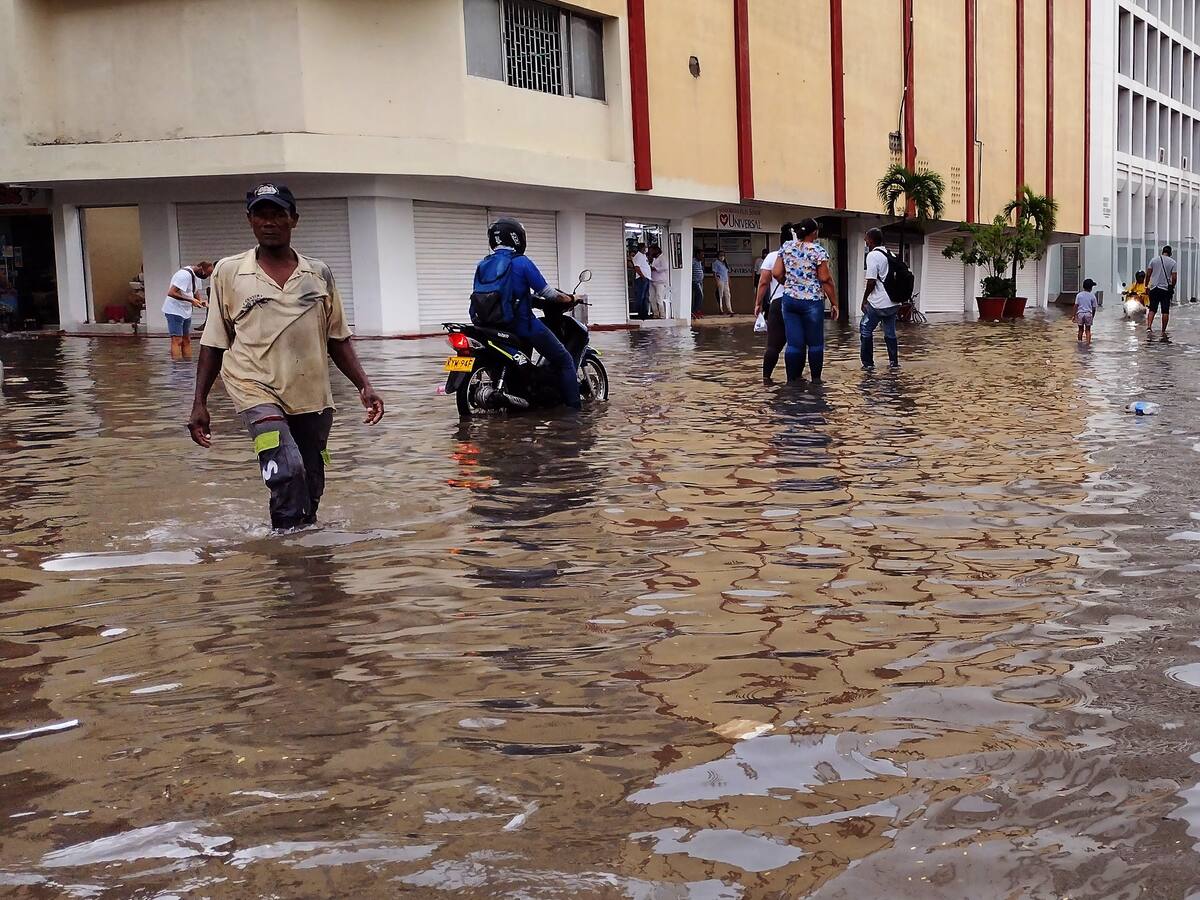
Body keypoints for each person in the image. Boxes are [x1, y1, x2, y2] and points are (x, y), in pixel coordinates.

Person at [188, 183, 385, 531]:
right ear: (249, 220)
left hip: (311, 393)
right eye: (261, 214)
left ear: (294, 220)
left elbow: (337, 338)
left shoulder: (318, 273)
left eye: (278, 214)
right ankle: (285, 550)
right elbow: (214, 341)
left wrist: (364, 386)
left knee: (311, 481)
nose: (270, 222)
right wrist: (199, 402)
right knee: (286, 467)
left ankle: (307, 558)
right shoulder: (229, 273)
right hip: (254, 389)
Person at [471, 216, 580, 410]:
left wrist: (532, 301)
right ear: (517, 238)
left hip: (489, 326)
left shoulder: (483, 264)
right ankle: (575, 414)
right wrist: (571, 299)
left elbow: (501, 294)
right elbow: (549, 294)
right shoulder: (521, 262)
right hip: (521, 325)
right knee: (565, 360)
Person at [772, 218, 838, 382]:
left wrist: (789, 284)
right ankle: (816, 380)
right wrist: (834, 303)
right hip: (812, 301)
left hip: (789, 301)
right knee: (815, 344)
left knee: (794, 344)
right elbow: (825, 279)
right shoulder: (818, 251)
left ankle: (792, 380)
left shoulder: (786, 247)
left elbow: (776, 273)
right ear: (814, 233)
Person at [754, 224, 794, 383]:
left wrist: (758, 304)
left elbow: (763, 282)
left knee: (772, 346)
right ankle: (794, 380)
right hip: (798, 303)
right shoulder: (803, 256)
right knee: (795, 344)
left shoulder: (772, 257)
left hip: (777, 303)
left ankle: (766, 379)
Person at [859, 228, 900, 370]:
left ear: (871, 240)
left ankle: (868, 364)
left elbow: (871, 281)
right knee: (890, 332)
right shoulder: (890, 253)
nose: (865, 241)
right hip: (893, 302)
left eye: (866, 238)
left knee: (865, 329)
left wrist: (864, 299)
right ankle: (894, 363)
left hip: (878, 303)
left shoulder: (872, 255)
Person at [163, 260, 214, 360]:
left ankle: (187, 365)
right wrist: (191, 300)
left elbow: (195, 291)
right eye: (206, 274)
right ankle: (177, 367)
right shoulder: (184, 275)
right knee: (177, 340)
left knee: (186, 340)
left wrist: (200, 301)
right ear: (200, 269)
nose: (206, 277)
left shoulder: (197, 277)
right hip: (174, 310)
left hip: (186, 311)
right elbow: (171, 292)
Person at [1146, 245, 1178, 338]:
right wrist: (1172, 286)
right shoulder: (1173, 262)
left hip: (1154, 288)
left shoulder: (1154, 260)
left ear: (1162, 252)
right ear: (1170, 253)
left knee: (1152, 309)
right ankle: (1163, 330)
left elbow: (1148, 274)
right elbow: (1174, 277)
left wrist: (1146, 285)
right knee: (1165, 310)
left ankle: (1149, 327)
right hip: (1165, 289)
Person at [631, 243, 652, 320]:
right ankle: (640, 314)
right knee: (641, 296)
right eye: (645, 247)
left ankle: (645, 314)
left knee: (645, 297)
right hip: (641, 279)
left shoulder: (644, 256)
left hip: (646, 278)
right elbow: (637, 267)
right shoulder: (638, 256)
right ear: (642, 248)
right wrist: (642, 276)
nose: (646, 248)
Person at [1075, 278, 1098, 345]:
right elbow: (1094, 308)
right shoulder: (1092, 296)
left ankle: (1079, 342)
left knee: (1080, 330)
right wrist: (1092, 316)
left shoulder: (1079, 295)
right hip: (1088, 314)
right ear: (1091, 288)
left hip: (1080, 314)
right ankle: (1088, 344)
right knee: (1088, 330)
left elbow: (1076, 305)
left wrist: (1074, 315)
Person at [649, 245, 670, 318]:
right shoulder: (655, 259)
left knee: (659, 297)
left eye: (652, 251)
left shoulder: (662, 258)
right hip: (653, 280)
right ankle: (655, 313)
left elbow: (665, 267)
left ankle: (662, 314)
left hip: (660, 281)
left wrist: (655, 268)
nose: (651, 253)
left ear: (656, 251)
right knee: (652, 298)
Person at [691, 249, 706, 319]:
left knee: (699, 296)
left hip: (700, 282)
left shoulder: (699, 262)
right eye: (701, 255)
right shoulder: (693, 261)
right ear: (697, 255)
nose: (703, 256)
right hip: (695, 281)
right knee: (700, 296)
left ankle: (697, 310)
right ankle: (695, 311)